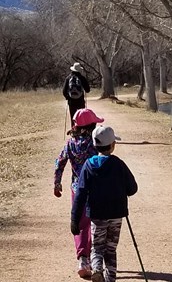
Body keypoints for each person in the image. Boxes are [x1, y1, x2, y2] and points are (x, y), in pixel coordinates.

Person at [71, 125, 138, 282]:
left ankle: (98, 270)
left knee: (97, 247)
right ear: (113, 145)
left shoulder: (88, 165)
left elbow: (80, 194)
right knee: (111, 248)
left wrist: (74, 219)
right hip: (116, 215)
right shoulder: (119, 164)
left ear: (95, 146)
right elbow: (133, 188)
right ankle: (110, 279)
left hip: (97, 215)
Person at [54, 108, 104, 279]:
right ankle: (97, 260)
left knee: (81, 224)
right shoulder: (94, 143)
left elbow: (59, 162)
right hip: (96, 188)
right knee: (96, 222)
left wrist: (57, 182)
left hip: (77, 189)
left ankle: (83, 259)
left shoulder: (70, 144)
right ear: (91, 126)